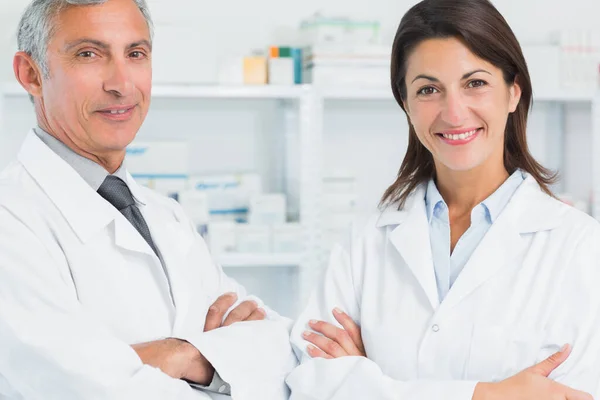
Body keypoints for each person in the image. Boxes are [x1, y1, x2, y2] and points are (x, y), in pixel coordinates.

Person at [287, 0, 600, 399]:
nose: (454, 113)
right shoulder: (365, 243)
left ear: (513, 92)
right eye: (428, 89)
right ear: (406, 105)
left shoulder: (580, 247)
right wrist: (485, 394)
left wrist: (371, 384)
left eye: (475, 83)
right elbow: (312, 386)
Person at [0, 0, 296, 399]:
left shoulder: (166, 216)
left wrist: (179, 356)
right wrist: (217, 359)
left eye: (135, 54)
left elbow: (283, 347)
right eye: (89, 54)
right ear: (31, 74)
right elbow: (71, 388)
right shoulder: (12, 217)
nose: (122, 83)